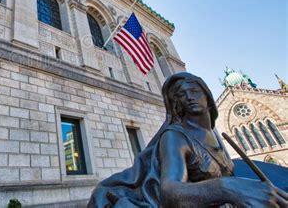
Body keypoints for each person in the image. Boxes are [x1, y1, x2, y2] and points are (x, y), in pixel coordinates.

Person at [88, 72, 287, 207]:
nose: (189, 97)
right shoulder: (175, 136)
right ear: (177, 104)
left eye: (194, 91)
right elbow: (170, 190)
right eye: (181, 95)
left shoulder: (215, 134)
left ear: (207, 96)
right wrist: (228, 188)